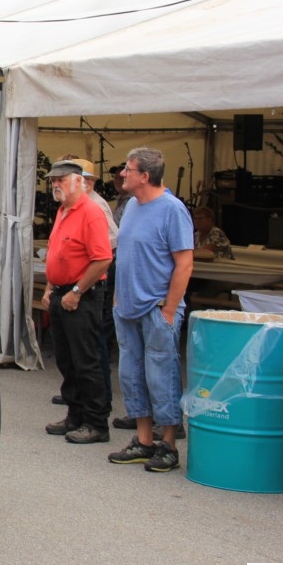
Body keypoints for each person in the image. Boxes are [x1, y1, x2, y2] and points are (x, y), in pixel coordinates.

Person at [107, 147, 193, 472]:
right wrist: (118, 297)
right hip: (127, 307)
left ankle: (168, 445)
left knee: (161, 376)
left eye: (127, 170)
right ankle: (144, 441)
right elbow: (124, 254)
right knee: (131, 375)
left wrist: (169, 309)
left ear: (144, 176)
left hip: (156, 308)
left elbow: (184, 264)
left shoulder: (172, 210)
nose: (122, 174)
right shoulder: (130, 206)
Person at [41, 160, 113, 444]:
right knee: (67, 360)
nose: (55, 184)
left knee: (85, 361)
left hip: (81, 295)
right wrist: (50, 288)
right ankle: (76, 414)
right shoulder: (63, 210)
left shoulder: (91, 212)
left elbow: (103, 258)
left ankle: (96, 422)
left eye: (61, 179)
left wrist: (77, 291)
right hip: (63, 292)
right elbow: (56, 253)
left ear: (79, 181)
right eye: (53, 180)